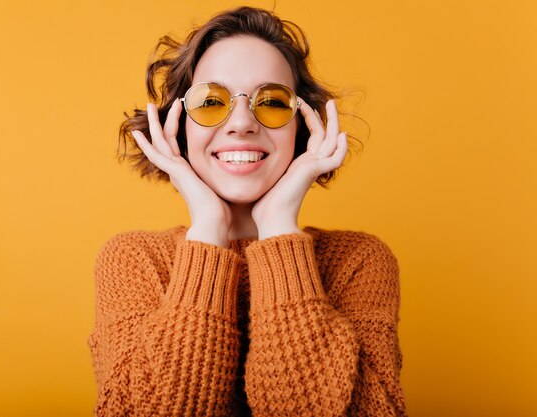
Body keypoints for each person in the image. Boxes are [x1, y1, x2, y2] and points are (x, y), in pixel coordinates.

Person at [87, 6, 407, 416]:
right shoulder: (133, 261)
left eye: (271, 101)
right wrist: (208, 227)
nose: (241, 123)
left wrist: (278, 228)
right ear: (178, 126)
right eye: (210, 101)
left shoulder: (358, 262)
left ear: (304, 127)